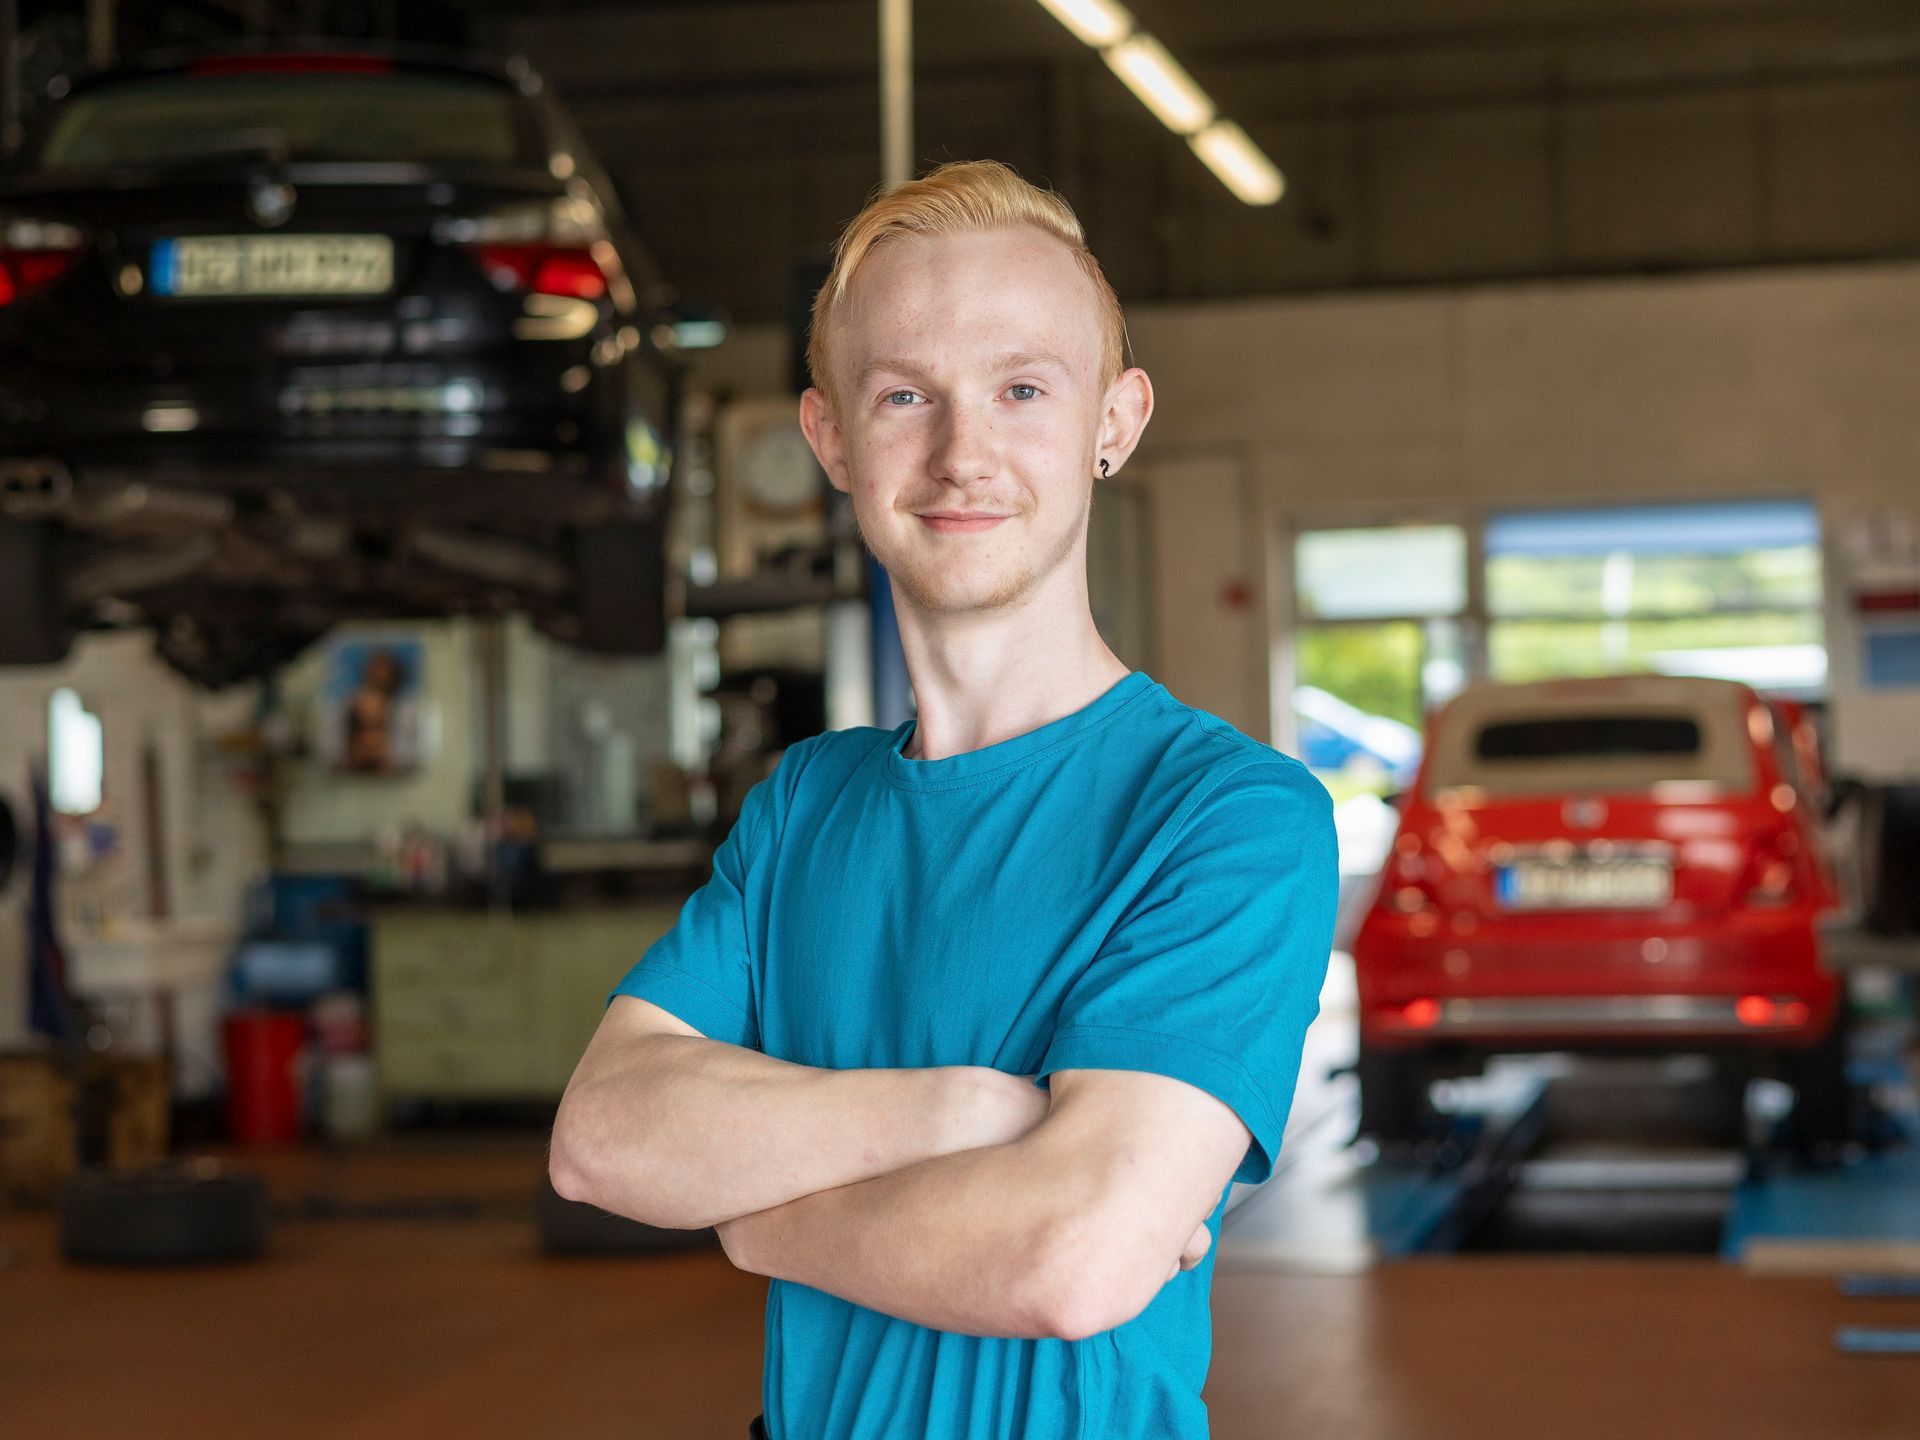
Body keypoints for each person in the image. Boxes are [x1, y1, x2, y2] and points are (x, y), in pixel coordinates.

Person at [551, 159, 1338, 1440]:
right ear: (830, 439)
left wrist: (758, 1227)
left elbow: (1071, 1259)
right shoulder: (805, 806)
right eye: (906, 396)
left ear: (1115, 421)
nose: (963, 454)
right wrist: (966, 1109)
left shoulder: (1228, 815)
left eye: (1022, 389)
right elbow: (601, 1138)